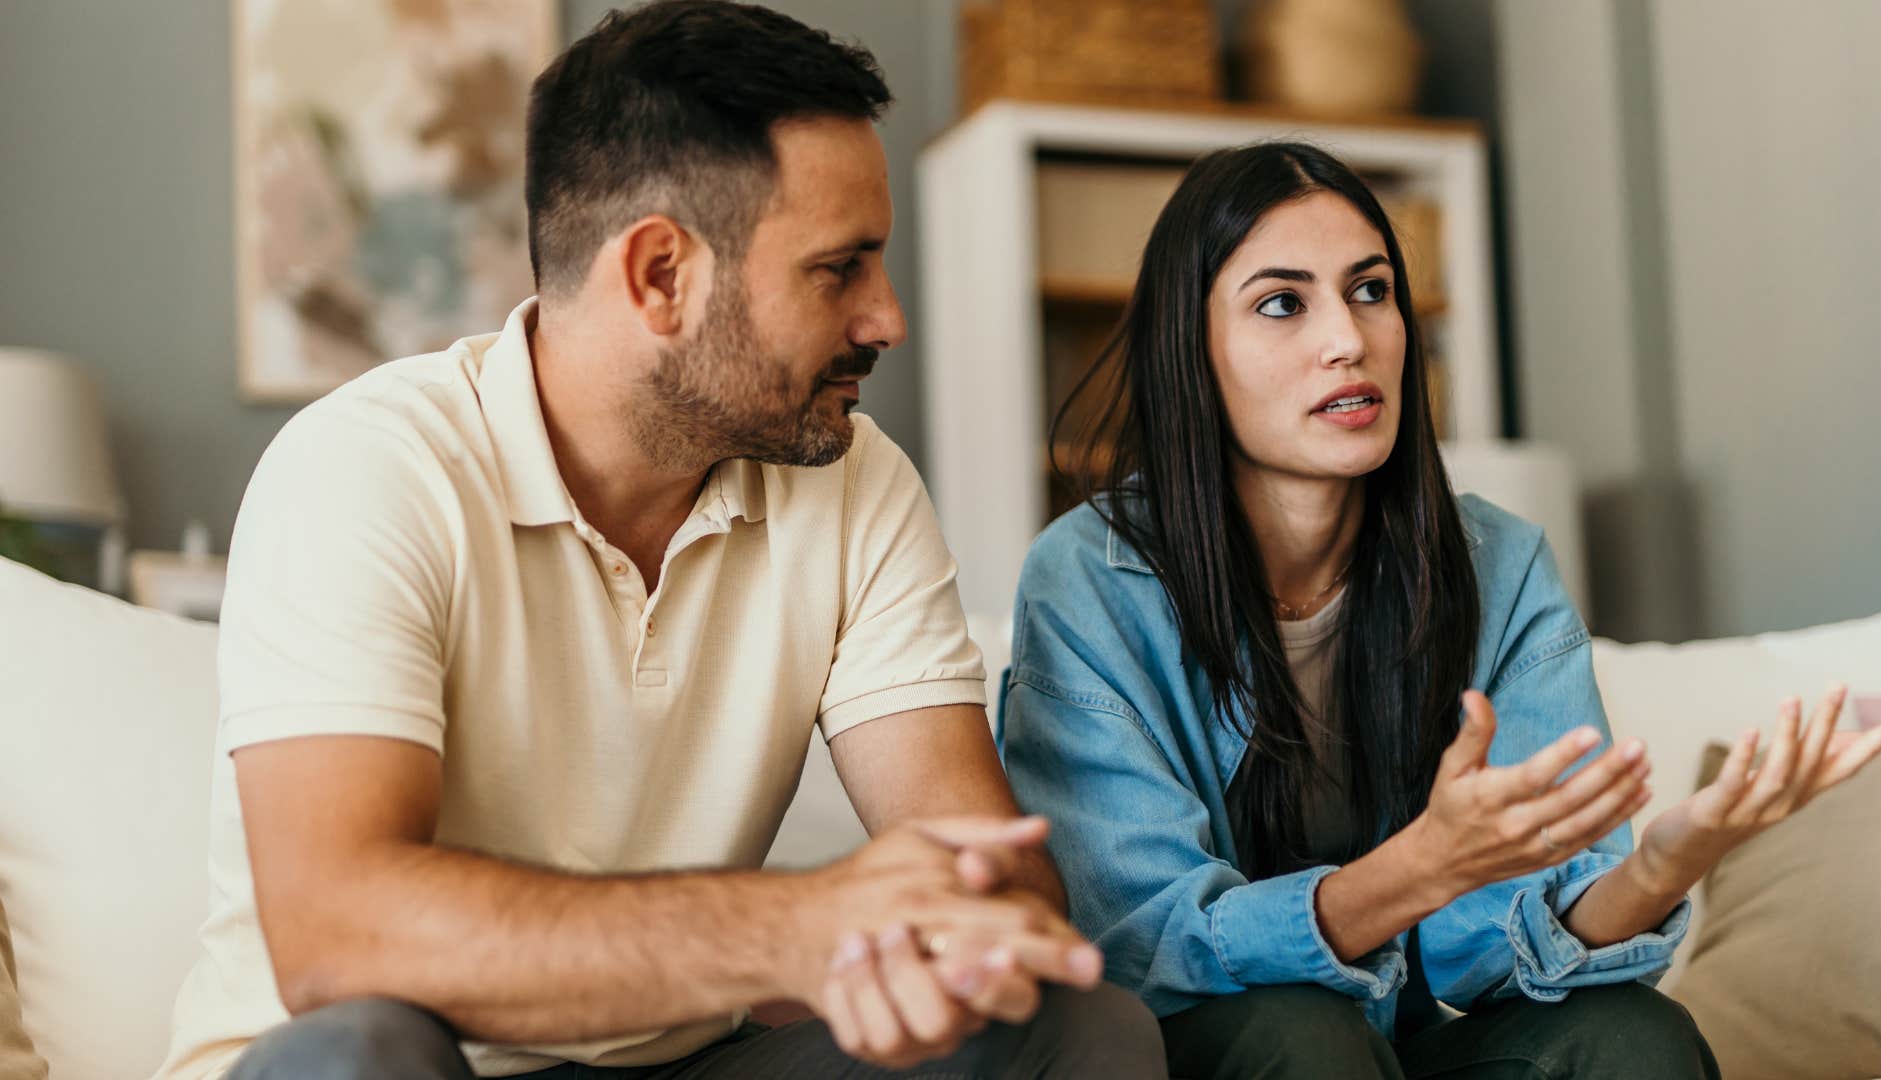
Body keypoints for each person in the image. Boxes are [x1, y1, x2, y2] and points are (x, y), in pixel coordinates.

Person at [156, 3, 1167, 1077]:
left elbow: (987, 879)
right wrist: (787, 929)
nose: (885, 320)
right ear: (660, 276)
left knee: (1074, 1029)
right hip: (395, 1057)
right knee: (363, 1051)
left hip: (682, 1064)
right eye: (840, 268)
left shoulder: (855, 483)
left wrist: (950, 947)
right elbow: (339, 939)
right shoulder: (366, 471)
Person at [995, 140, 1881, 1080]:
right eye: (1281, 303)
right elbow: (1141, 944)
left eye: (1371, 290)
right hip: (1211, 1050)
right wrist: (1419, 867)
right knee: (1302, 1036)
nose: (1346, 337)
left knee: (1633, 1035)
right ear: (1191, 350)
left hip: (1404, 1053)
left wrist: (1666, 864)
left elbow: (1498, 951)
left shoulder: (1499, 566)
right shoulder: (1088, 582)